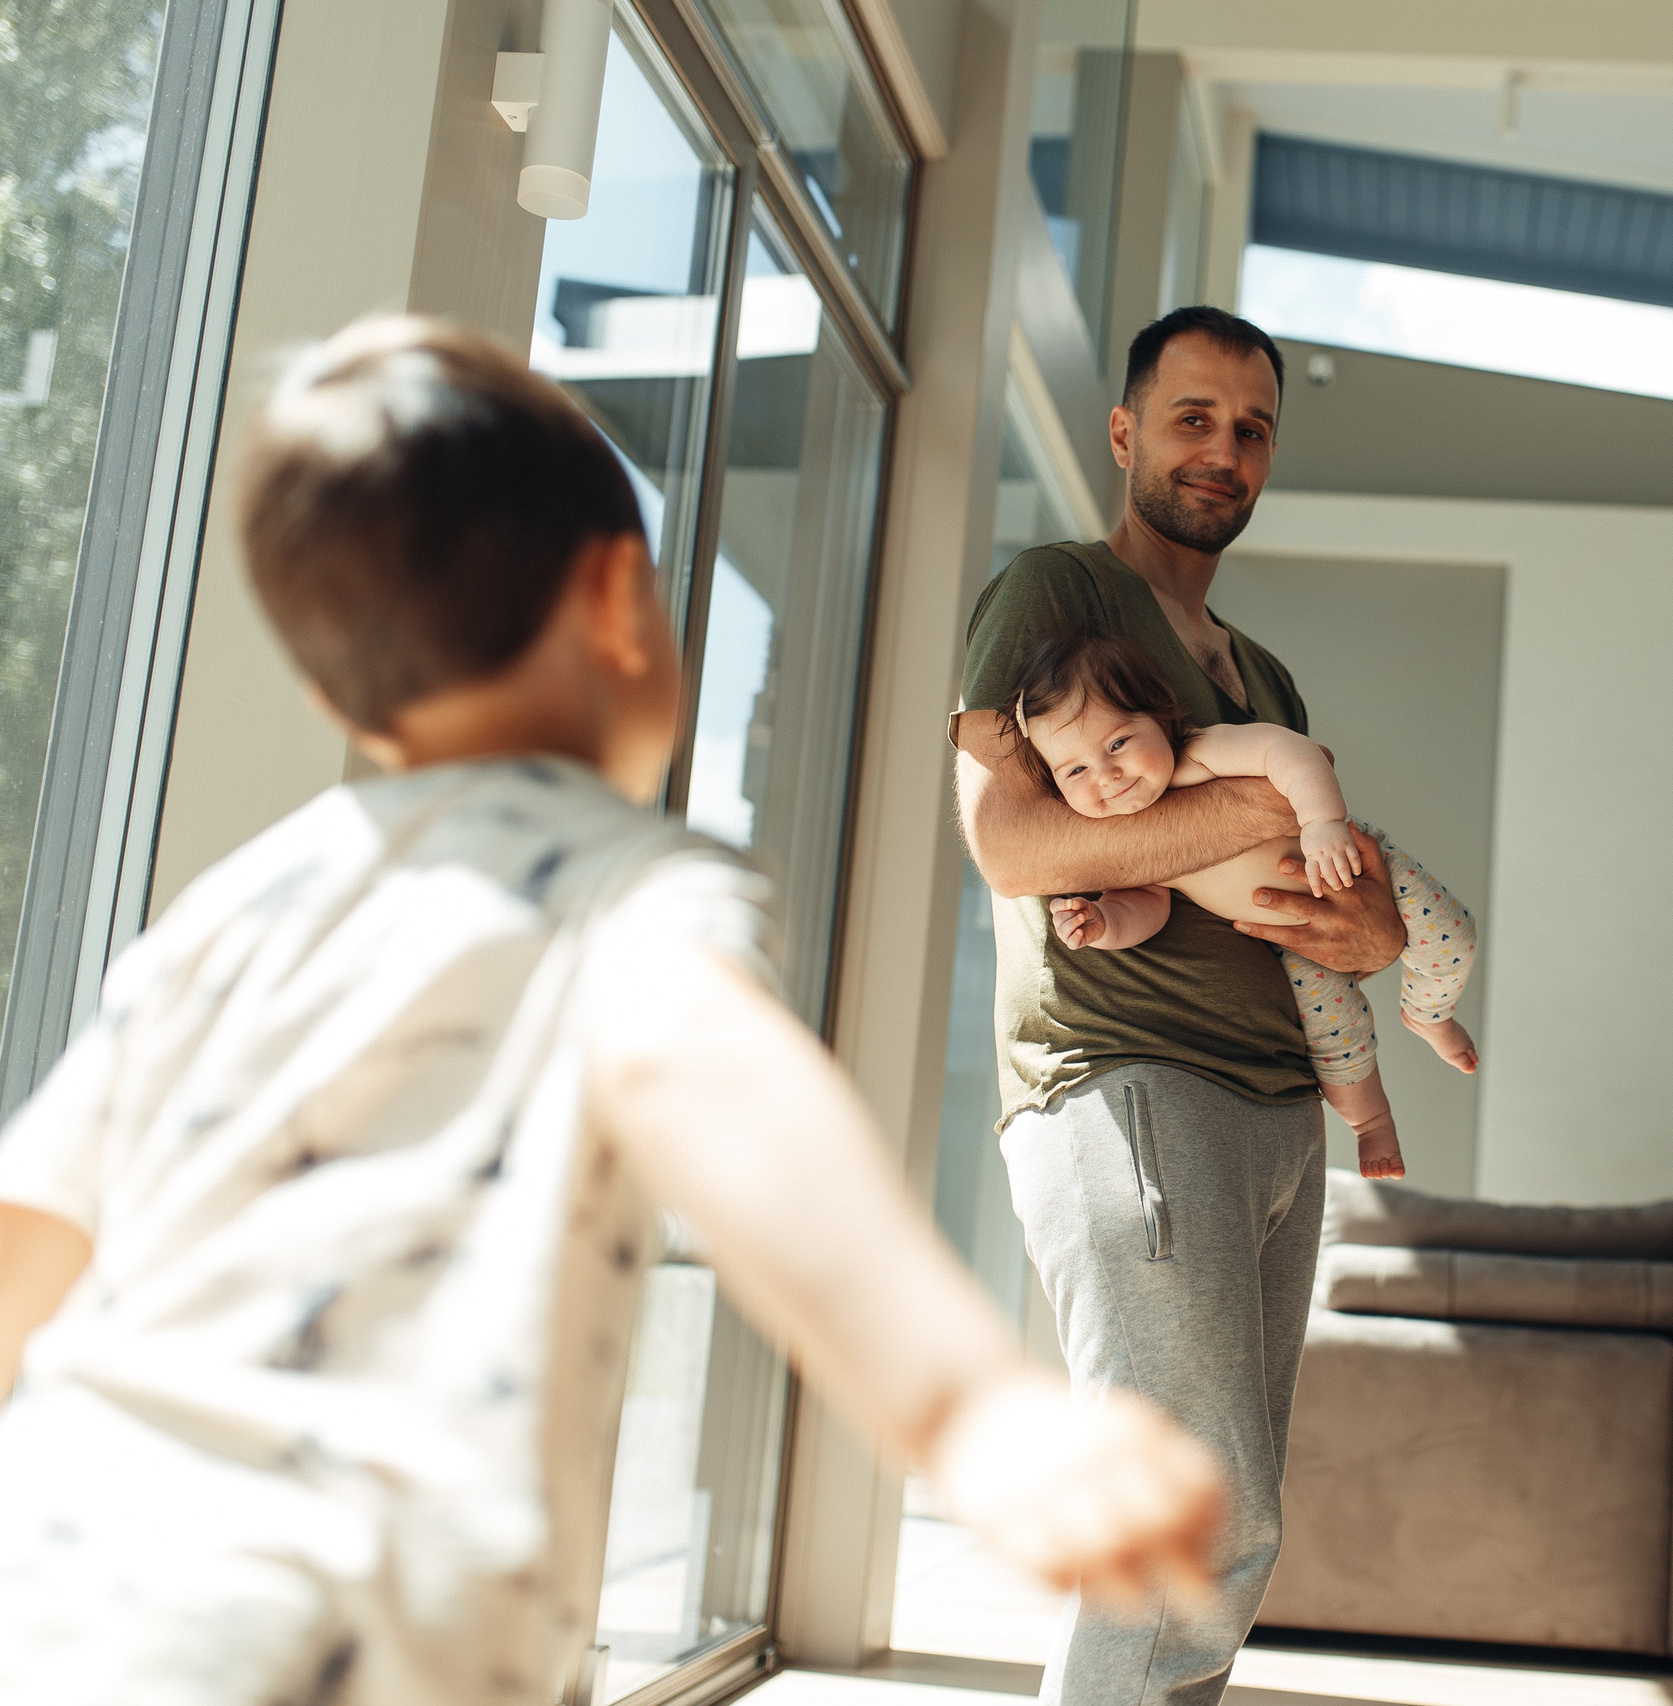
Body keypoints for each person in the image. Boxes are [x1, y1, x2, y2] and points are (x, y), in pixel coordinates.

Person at [0, 316, 1226, 1706]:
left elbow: (31, 1224)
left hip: (60, 1573)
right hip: (359, 1620)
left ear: (325, 681)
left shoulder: (232, 908)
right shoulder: (621, 879)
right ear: (611, 603)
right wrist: (968, 1405)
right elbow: (708, 1078)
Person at [949, 306, 1409, 1706]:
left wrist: (1380, 923)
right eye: (1195, 417)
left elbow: (1338, 911)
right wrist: (1235, 815)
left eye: (1252, 428)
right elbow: (1014, 845)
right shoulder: (1054, 599)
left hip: (1276, 1108)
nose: (1224, 450)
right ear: (1127, 431)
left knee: (1233, 1521)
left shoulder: (1262, 678)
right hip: (1126, 1078)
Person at [1000, 626, 1480, 1181]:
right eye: (1075, 769)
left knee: (1453, 936)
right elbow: (1148, 909)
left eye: (1117, 743)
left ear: (1157, 716)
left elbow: (1290, 751)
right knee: (1335, 1042)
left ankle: (1431, 1015)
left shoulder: (1197, 756)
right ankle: (1371, 1124)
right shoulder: (1130, 847)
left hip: (1352, 862)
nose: (1106, 776)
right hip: (1291, 946)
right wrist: (1103, 921)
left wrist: (1321, 823)